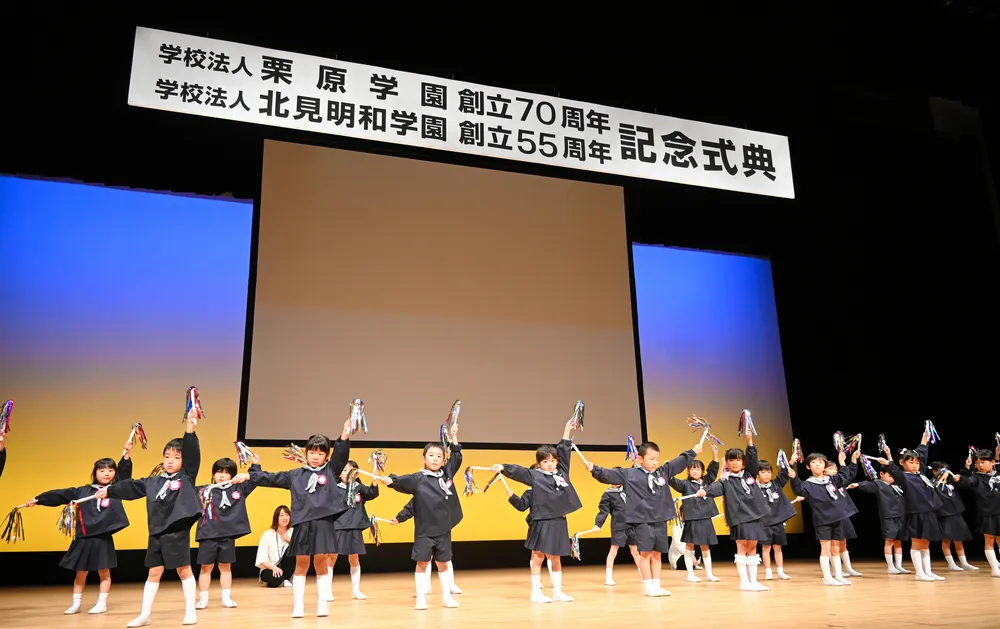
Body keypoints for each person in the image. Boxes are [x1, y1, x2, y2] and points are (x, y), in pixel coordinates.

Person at [97, 411, 202, 627]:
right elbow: (130, 486)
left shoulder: (187, 476)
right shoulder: (153, 481)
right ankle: (145, 614)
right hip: (156, 531)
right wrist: (109, 490)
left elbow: (192, 454)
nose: (170, 461)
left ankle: (191, 611)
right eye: (167, 457)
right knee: (154, 572)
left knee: (184, 570)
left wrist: (190, 429)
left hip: (177, 530)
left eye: (176, 457)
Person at [250, 418, 352, 618]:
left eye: (320, 453)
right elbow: (271, 478)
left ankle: (322, 604)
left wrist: (345, 434)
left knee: (322, 563)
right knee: (301, 565)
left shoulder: (331, 471)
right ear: (306, 453)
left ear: (326, 456)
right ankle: (298, 606)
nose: (315, 457)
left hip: (323, 523)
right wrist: (254, 469)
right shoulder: (295, 475)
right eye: (312, 452)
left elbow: (341, 455)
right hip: (303, 525)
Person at [27, 440, 133, 614]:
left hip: (102, 536)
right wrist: (39, 499)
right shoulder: (83, 492)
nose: (106, 473)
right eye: (102, 470)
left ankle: (102, 602)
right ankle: (76, 603)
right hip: (84, 536)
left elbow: (125, 477)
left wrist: (127, 455)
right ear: (95, 473)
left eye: (110, 470)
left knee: (103, 571)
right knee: (81, 571)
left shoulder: (115, 489)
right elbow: (61, 495)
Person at [587, 439, 700, 596]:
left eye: (657, 459)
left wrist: (693, 451)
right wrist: (594, 469)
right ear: (640, 458)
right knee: (645, 553)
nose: (655, 462)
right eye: (651, 459)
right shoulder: (630, 474)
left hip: (660, 519)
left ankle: (657, 585)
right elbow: (609, 474)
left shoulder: (662, 472)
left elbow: (678, 462)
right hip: (642, 520)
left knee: (657, 554)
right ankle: (648, 586)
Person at [490, 418, 582, 603]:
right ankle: (535, 592)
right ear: (539, 463)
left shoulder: (562, 473)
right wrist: (503, 467)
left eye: (553, 460)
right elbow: (519, 471)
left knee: (556, 557)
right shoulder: (534, 476)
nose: (550, 463)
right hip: (541, 521)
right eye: (545, 461)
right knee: (538, 556)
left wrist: (566, 430)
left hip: (558, 520)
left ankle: (557, 591)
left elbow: (564, 451)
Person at [378, 424, 462, 610]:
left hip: (443, 529)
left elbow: (456, 457)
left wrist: (454, 438)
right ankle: (421, 599)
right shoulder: (418, 479)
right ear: (423, 458)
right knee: (422, 564)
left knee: (443, 564)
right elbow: (405, 487)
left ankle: (447, 598)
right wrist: (392, 481)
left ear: (443, 460)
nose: (435, 458)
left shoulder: (446, 475)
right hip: (424, 531)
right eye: (431, 455)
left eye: (439, 456)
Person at [697, 431, 771, 591]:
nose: (735, 463)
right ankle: (744, 582)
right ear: (727, 463)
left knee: (753, 546)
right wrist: (705, 491)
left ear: (743, 462)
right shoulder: (726, 481)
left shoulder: (750, 473)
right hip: (739, 517)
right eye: (731, 460)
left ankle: (754, 581)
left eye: (738, 459)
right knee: (743, 547)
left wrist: (750, 441)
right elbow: (715, 488)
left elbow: (752, 458)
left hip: (755, 515)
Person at [787, 448, 859, 586]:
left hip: (837, 517)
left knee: (836, 548)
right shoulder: (808, 484)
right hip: (823, 520)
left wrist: (843, 462)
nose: (818, 464)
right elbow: (798, 489)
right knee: (825, 549)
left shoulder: (832, 480)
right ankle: (827, 577)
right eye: (814, 462)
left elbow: (845, 476)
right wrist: (793, 477)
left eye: (821, 462)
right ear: (808, 466)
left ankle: (838, 575)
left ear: (825, 466)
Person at [195, 456, 260, 609]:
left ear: (232, 475)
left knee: (225, 567)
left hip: (227, 536)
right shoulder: (204, 491)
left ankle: (226, 598)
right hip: (208, 535)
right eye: (218, 472)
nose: (222, 475)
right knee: (206, 567)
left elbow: (253, 481)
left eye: (226, 472)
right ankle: (203, 599)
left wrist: (256, 465)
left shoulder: (239, 489)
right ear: (213, 474)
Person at [848, 445, 909, 574]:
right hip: (888, 516)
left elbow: (896, 470)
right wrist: (858, 484)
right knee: (890, 540)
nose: (892, 478)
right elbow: (867, 485)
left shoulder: (897, 484)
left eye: (894, 476)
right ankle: (890, 566)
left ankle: (899, 565)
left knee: (899, 541)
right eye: (889, 475)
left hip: (901, 515)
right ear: (881, 474)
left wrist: (889, 455)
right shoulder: (878, 484)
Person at [897, 429, 945, 581]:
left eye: (916, 463)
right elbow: (892, 468)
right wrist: (889, 460)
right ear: (902, 463)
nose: (915, 465)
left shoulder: (921, 475)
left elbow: (922, 456)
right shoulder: (903, 477)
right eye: (911, 462)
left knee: (926, 543)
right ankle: (919, 573)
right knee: (917, 542)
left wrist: (924, 441)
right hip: (915, 512)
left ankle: (928, 571)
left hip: (928, 511)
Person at [668, 445, 720, 583]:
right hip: (692, 519)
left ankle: (709, 574)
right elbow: (672, 481)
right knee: (689, 547)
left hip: (705, 518)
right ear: (688, 471)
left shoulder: (706, 482)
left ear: (702, 471)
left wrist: (715, 454)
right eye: (692, 468)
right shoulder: (685, 485)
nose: (695, 471)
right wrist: (668, 471)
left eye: (697, 468)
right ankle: (690, 574)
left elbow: (714, 470)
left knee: (705, 546)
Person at [392, 498, 463, 596]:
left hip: (442, 530)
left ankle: (451, 585)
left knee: (445, 558)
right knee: (425, 559)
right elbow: (411, 506)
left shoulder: (442, 489)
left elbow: (451, 505)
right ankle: (426, 587)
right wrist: (399, 518)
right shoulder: (421, 490)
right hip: (425, 531)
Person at [330, 460, 379, 600]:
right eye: (344, 470)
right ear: (339, 473)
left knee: (355, 558)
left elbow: (371, 494)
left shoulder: (359, 487)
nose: (347, 473)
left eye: (351, 471)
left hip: (355, 527)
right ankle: (327, 590)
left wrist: (374, 481)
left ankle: (356, 591)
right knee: (331, 557)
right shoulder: (335, 488)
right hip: (338, 526)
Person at [951, 446, 1000, 577]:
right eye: (977, 463)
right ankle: (995, 568)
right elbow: (966, 482)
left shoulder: (998, 471)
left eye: (983, 462)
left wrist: (997, 454)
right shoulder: (976, 477)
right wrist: (958, 478)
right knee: (989, 539)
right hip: (987, 513)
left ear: (992, 462)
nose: (980, 465)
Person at [593, 472, 643, 586]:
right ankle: (608, 577)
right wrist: (598, 524)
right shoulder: (608, 494)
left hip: (632, 524)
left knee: (635, 551)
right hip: (619, 525)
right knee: (613, 550)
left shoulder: (629, 491)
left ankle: (643, 575)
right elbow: (603, 511)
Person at [929, 460, 977, 571]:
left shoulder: (951, 481)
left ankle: (964, 563)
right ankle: (951, 564)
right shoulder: (933, 484)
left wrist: (967, 466)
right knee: (946, 540)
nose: (945, 472)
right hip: (944, 514)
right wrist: (938, 480)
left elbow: (963, 479)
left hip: (956, 512)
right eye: (942, 470)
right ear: (935, 471)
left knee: (958, 539)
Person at [756, 458, 798, 580]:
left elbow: (784, 473)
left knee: (778, 547)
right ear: (758, 474)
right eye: (763, 472)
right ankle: (768, 571)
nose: (766, 474)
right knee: (766, 547)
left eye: (768, 472)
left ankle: (780, 571)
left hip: (778, 521)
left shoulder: (776, 484)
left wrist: (791, 461)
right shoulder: (755, 487)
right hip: (764, 523)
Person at [824, 459, 863, 577]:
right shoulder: (823, 483)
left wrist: (852, 461)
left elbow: (849, 473)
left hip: (843, 514)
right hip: (832, 515)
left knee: (844, 541)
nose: (834, 470)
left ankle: (849, 568)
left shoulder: (839, 481)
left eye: (836, 469)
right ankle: (836, 570)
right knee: (832, 543)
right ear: (824, 470)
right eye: (831, 468)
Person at [256, 505, 295, 587]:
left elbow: (300, 550)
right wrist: (274, 568)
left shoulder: (293, 532)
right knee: (275, 580)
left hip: (286, 567)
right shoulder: (267, 534)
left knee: (292, 547)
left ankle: (286, 578)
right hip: (269, 568)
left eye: (287, 515)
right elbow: (262, 559)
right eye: (282, 515)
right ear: (276, 518)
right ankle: (280, 579)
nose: (285, 518)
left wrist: (289, 540)